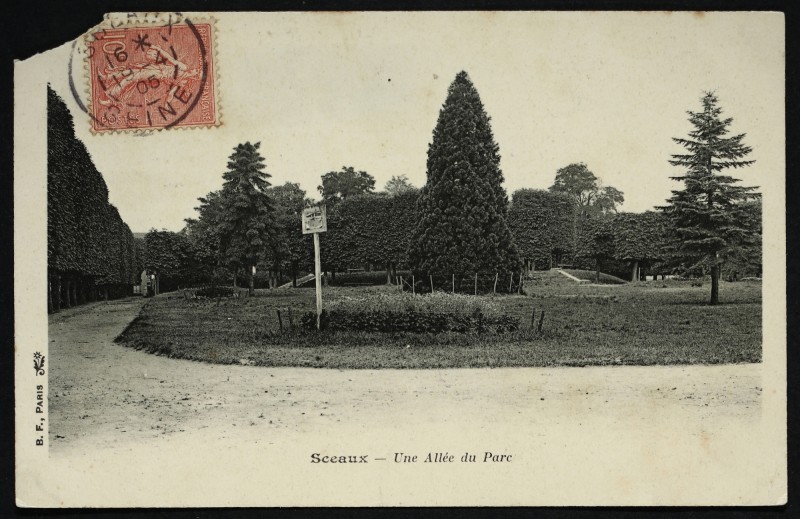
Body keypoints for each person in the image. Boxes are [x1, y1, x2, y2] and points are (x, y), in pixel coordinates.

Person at [98, 44, 200, 109]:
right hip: (157, 67)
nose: (195, 69)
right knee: (132, 71)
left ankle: (111, 97)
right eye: (197, 69)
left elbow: (171, 93)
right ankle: (108, 77)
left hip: (156, 75)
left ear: (195, 76)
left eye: (197, 71)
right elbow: (169, 59)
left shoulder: (183, 82)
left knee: (132, 77)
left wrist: (166, 105)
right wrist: (158, 49)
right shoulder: (184, 67)